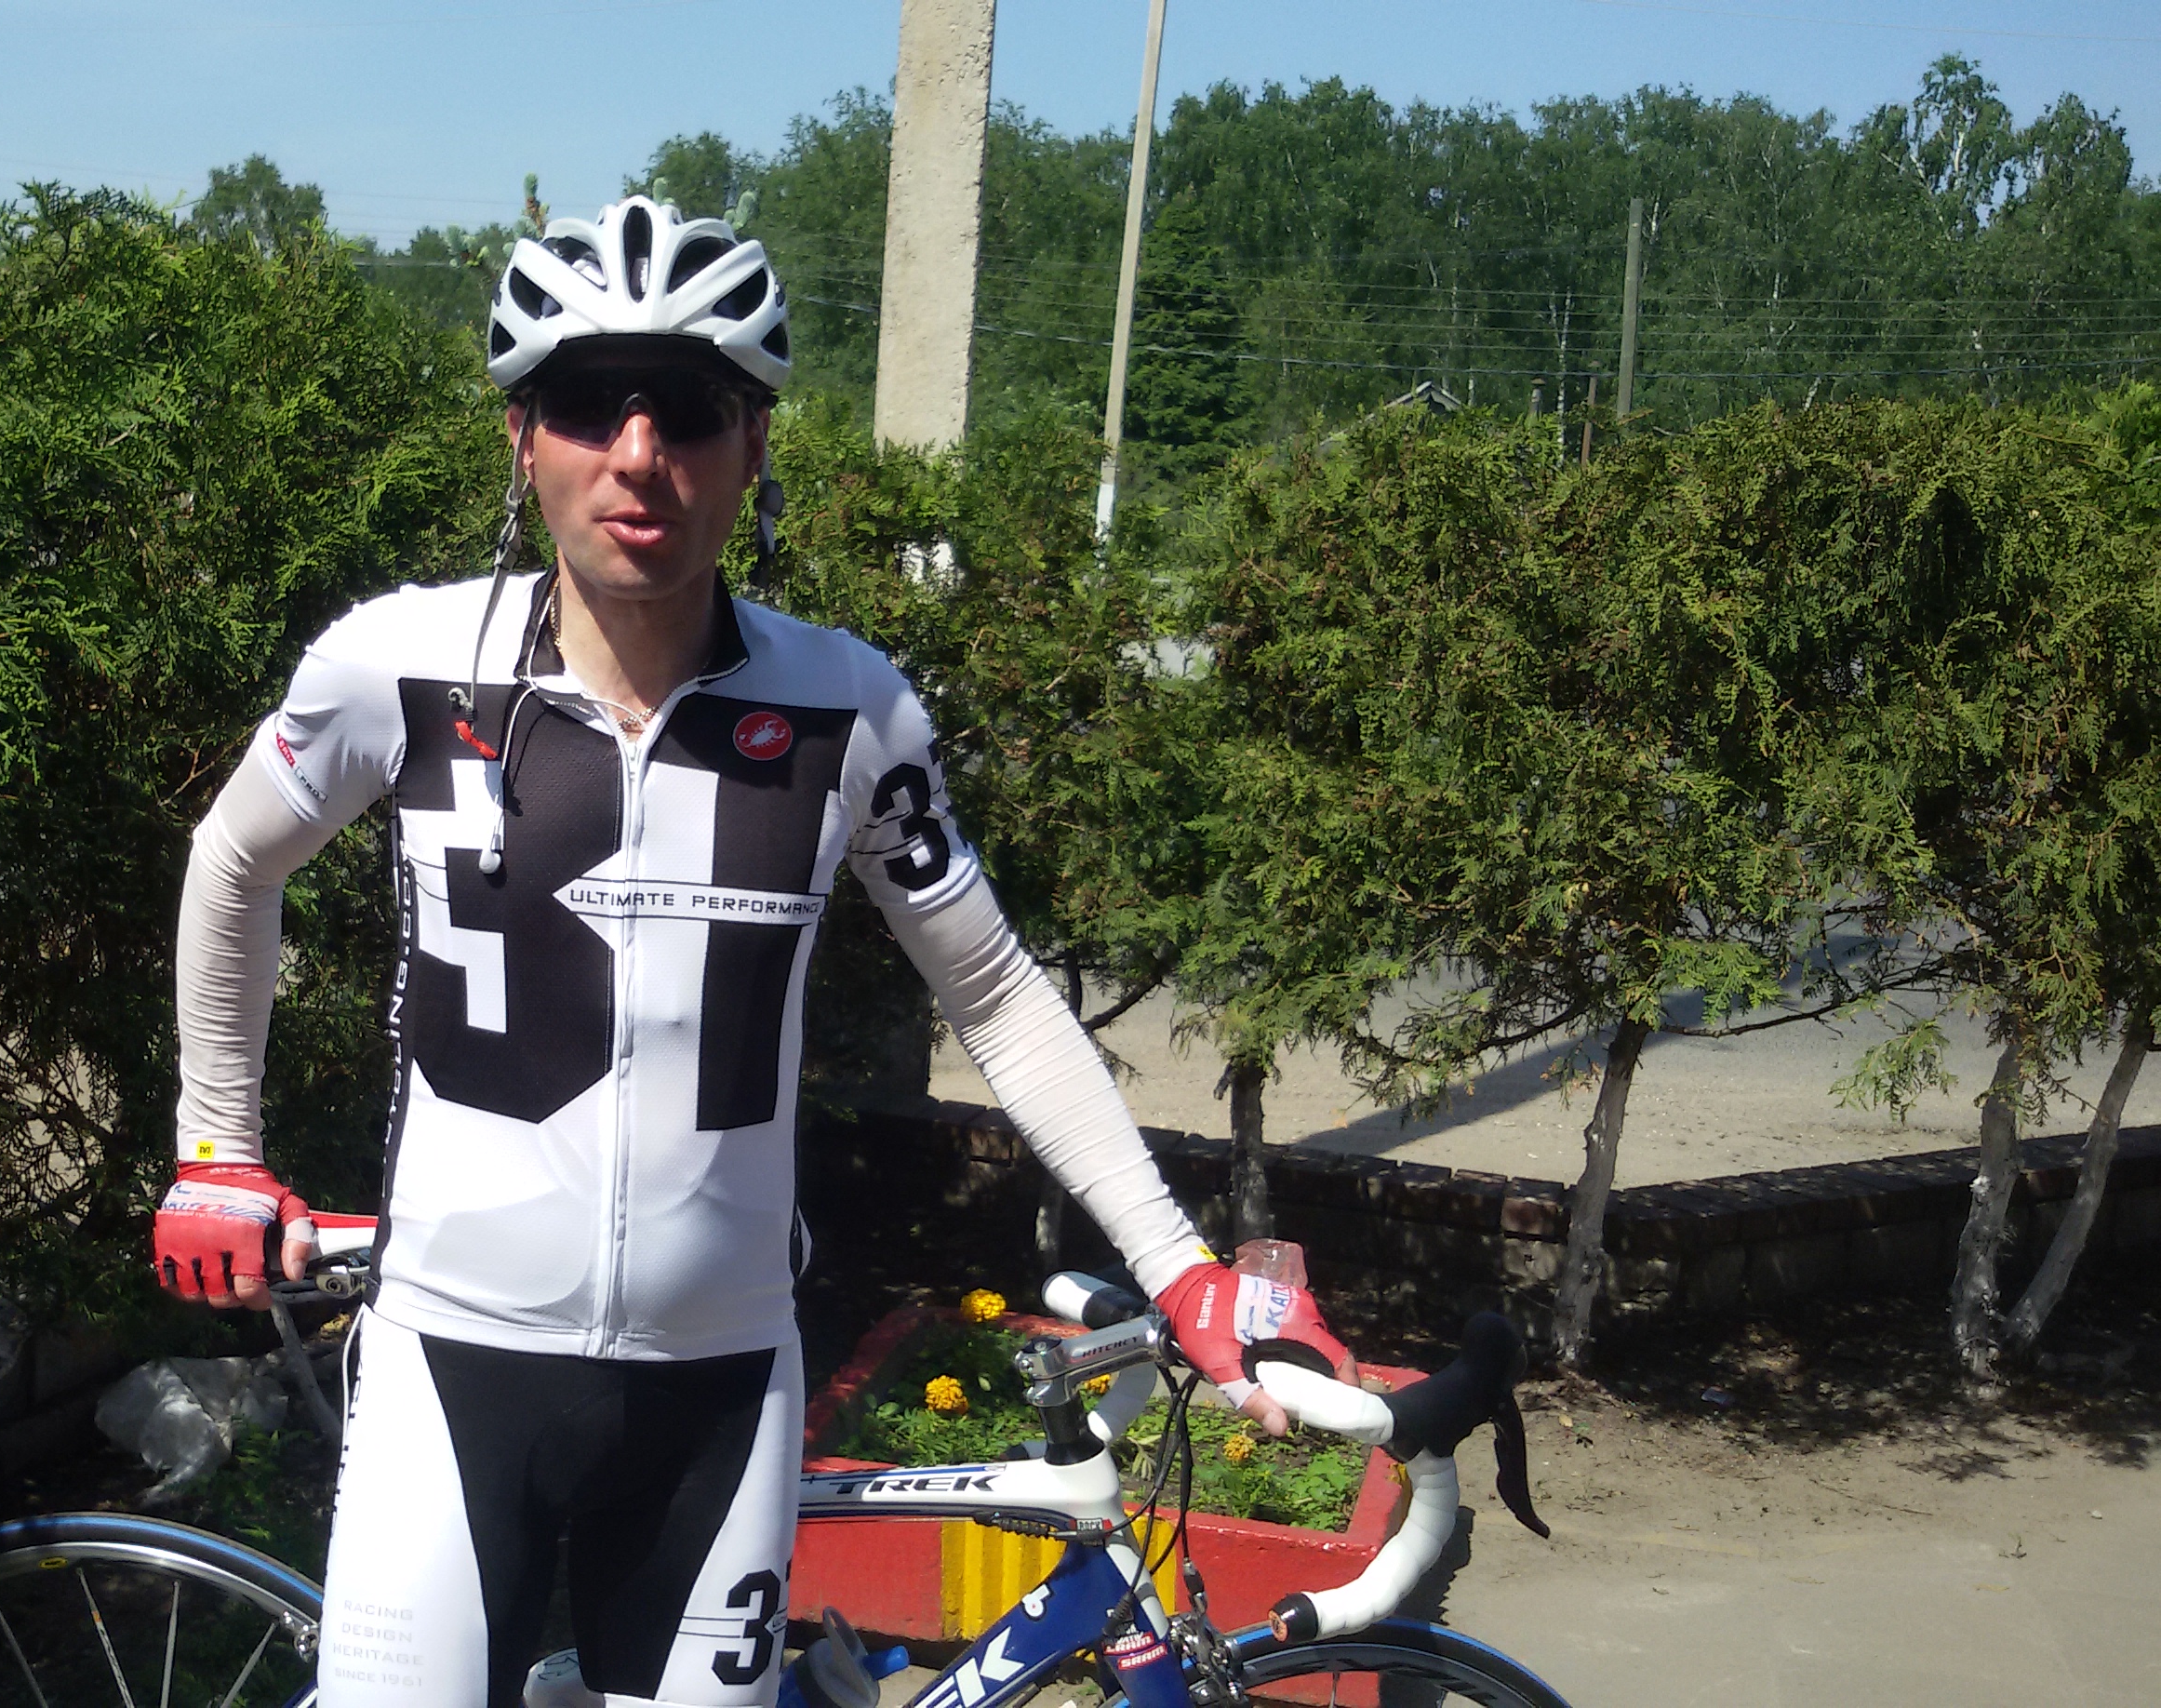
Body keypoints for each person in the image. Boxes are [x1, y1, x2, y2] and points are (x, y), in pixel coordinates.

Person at [151, 196, 1356, 1708]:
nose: (638, 453)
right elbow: (233, 860)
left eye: (691, 407)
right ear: (523, 439)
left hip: (717, 1395)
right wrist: (219, 1145)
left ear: (754, 443)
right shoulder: (395, 667)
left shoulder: (851, 709)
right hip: (450, 1364)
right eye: (589, 402)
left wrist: (1180, 1273)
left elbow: (994, 993)